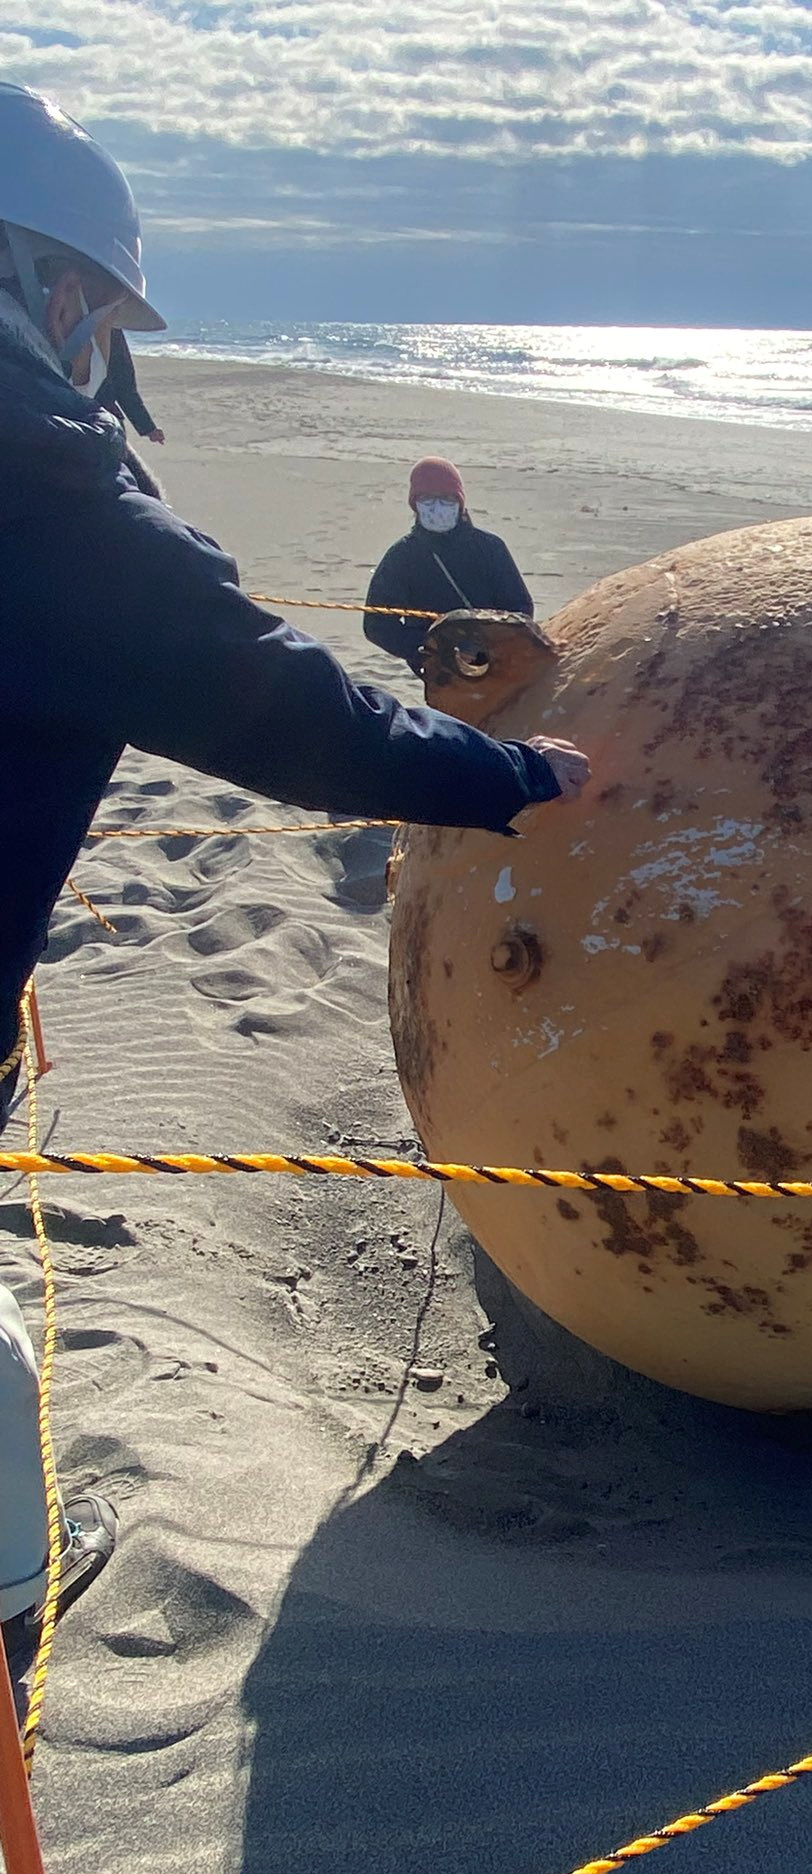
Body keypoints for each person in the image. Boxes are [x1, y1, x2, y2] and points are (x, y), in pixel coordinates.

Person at [0, 81, 590, 1717]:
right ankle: (12, 1589)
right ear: (56, 288)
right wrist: (517, 778)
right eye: (97, 316)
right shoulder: (29, 465)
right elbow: (269, 700)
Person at [364, 459, 533, 676]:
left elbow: (520, 608)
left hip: (497, 664)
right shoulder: (402, 556)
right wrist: (435, 650)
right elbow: (376, 624)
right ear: (415, 504)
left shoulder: (490, 548)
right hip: (442, 675)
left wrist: (486, 646)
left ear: (460, 502)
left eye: (446, 498)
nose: (437, 506)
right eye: (427, 498)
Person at [97, 326, 164, 444]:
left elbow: (124, 384)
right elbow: (124, 384)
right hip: (100, 418)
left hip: (68, 416)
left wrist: (147, 427)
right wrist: (148, 427)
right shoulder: (110, 329)